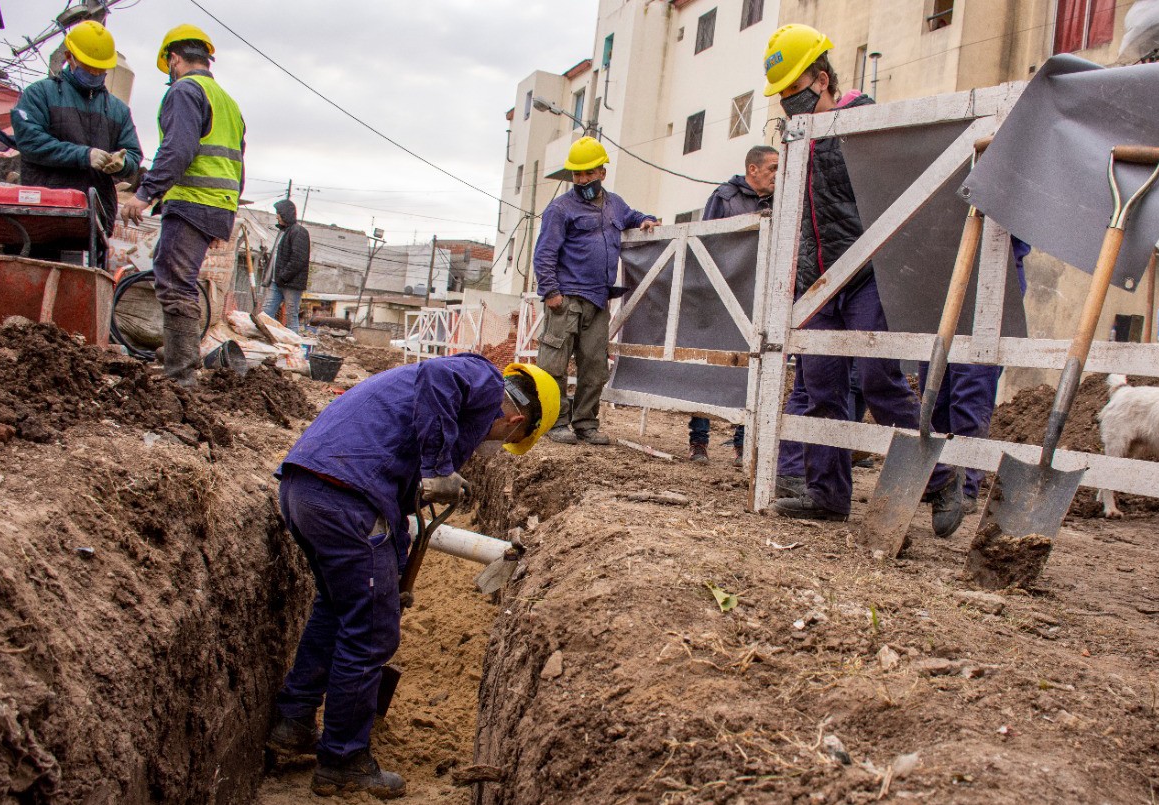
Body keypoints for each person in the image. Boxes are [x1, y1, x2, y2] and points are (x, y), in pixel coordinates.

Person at [266, 356, 560, 799]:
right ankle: (343, 760)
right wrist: (439, 468)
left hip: (305, 490)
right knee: (368, 635)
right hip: (345, 498)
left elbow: (397, 500)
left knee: (336, 607)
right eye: (510, 439)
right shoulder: (481, 380)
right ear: (516, 421)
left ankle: (295, 720)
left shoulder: (416, 409)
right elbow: (439, 376)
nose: (494, 445)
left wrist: (393, 572)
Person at [762, 24, 963, 537]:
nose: (788, 100)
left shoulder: (867, 121)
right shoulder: (795, 140)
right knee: (821, 385)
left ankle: (941, 479)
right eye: (781, 93)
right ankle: (828, 496)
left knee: (878, 378)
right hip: (817, 280)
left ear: (822, 78)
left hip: (869, 272)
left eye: (794, 88)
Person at [120, 24, 244, 388]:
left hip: (191, 201)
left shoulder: (185, 91)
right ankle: (178, 353)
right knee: (174, 272)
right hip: (216, 204)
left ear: (174, 58)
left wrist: (145, 194)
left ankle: (181, 375)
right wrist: (227, 214)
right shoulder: (227, 102)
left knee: (175, 284)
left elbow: (178, 148)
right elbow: (237, 164)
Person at [533, 136, 659, 445]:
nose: (583, 179)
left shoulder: (614, 203)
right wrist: (551, 292)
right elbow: (544, 253)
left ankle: (585, 423)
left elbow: (631, 217)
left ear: (602, 172)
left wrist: (644, 220)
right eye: (577, 174)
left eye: (589, 172)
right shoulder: (560, 209)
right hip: (566, 298)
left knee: (594, 367)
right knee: (554, 365)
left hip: (598, 299)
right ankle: (556, 421)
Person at [918, 238, 1031, 513]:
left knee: (971, 383)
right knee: (934, 383)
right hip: (938, 266)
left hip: (992, 272)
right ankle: (940, 477)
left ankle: (965, 484)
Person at [687, 145, 779, 464]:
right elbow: (705, 242)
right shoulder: (725, 198)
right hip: (719, 295)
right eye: (772, 169)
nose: (777, 176)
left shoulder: (779, 202)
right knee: (709, 367)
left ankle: (742, 444)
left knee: (749, 369)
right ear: (752, 170)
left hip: (755, 298)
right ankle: (699, 442)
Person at [13, 20, 142, 238]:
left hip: (95, 219)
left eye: (100, 68)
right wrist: (83, 155)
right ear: (69, 58)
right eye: (88, 66)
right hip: (43, 215)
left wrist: (122, 164)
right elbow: (30, 142)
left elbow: (133, 155)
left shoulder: (118, 110)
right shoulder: (39, 94)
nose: (94, 72)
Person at [261, 199, 311, 331]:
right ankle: (263, 342)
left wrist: (283, 276)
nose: (276, 216)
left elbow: (299, 259)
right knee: (265, 314)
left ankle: (293, 348)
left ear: (286, 214)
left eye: (278, 213)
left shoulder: (298, 232)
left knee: (290, 317)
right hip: (276, 281)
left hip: (291, 284)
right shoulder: (283, 232)